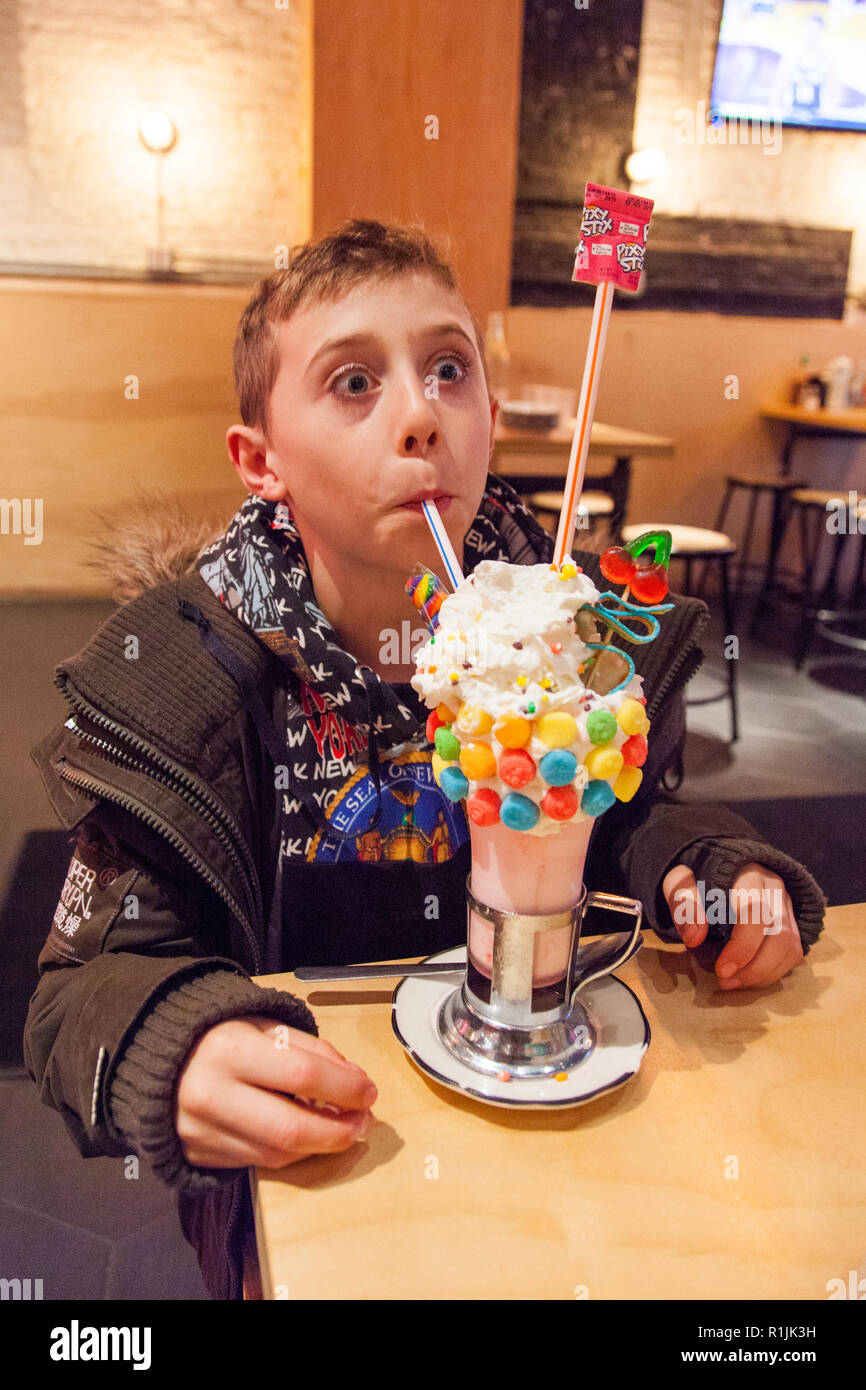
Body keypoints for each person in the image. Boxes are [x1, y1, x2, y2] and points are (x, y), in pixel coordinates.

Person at [24, 219, 827, 1301]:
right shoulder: (184, 684)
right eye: (353, 383)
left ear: (490, 413)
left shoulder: (579, 638)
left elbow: (629, 817)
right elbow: (77, 990)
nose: (419, 417)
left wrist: (705, 862)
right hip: (318, 1165)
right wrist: (167, 1047)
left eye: (448, 370)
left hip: (546, 1122)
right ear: (260, 461)